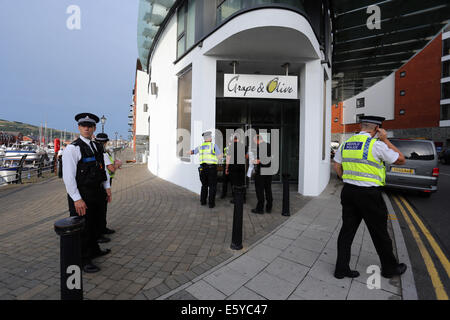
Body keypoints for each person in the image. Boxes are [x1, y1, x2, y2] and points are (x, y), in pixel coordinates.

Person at [333, 115, 407, 279]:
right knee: (380, 232)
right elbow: (401, 159)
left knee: (347, 231)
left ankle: (341, 269)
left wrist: (347, 179)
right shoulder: (377, 145)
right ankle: (389, 268)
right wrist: (386, 140)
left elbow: (337, 165)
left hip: (349, 191)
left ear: (361, 127)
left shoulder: (346, 143)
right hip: (369, 195)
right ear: (377, 129)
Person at [62, 113, 112, 273]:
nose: (86, 128)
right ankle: (83, 259)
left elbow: (102, 168)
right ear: (79, 127)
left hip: (97, 191)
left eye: (89, 126)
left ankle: (94, 250)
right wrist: (76, 199)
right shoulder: (73, 148)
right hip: (82, 193)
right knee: (83, 227)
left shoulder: (96, 146)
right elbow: (68, 177)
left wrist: (107, 187)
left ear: (94, 128)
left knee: (95, 223)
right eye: (83, 125)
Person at [95, 133, 122, 240]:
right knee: (101, 207)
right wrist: (117, 165)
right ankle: (100, 231)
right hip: (104, 182)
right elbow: (110, 169)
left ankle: (102, 228)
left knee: (101, 207)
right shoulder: (104, 154)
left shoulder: (96, 152)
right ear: (105, 142)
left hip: (99, 182)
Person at [190, 131, 222, 208]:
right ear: (210, 138)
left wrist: (185, 152)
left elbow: (193, 152)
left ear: (204, 139)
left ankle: (203, 201)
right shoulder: (213, 146)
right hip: (211, 169)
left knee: (204, 185)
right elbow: (220, 156)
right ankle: (211, 204)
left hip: (202, 169)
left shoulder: (201, 146)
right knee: (212, 186)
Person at [250, 134, 273, 214]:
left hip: (261, 172)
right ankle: (269, 207)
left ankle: (260, 209)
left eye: (254, 141)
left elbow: (262, 159)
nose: (255, 143)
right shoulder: (269, 145)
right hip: (269, 170)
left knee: (259, 190)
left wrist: (254, 161)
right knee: (268, 189)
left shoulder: (260, 147)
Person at [225, 133, 247, 204]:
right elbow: (247, 157)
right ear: (239, 139)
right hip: (241, 167)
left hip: (233, 168)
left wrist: (226, 168)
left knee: (234, 183)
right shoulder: (244, 146)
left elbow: (228, 158)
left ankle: (235, 199)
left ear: (233, 139)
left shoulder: (231, 146)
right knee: (241, 183)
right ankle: (243, 198)